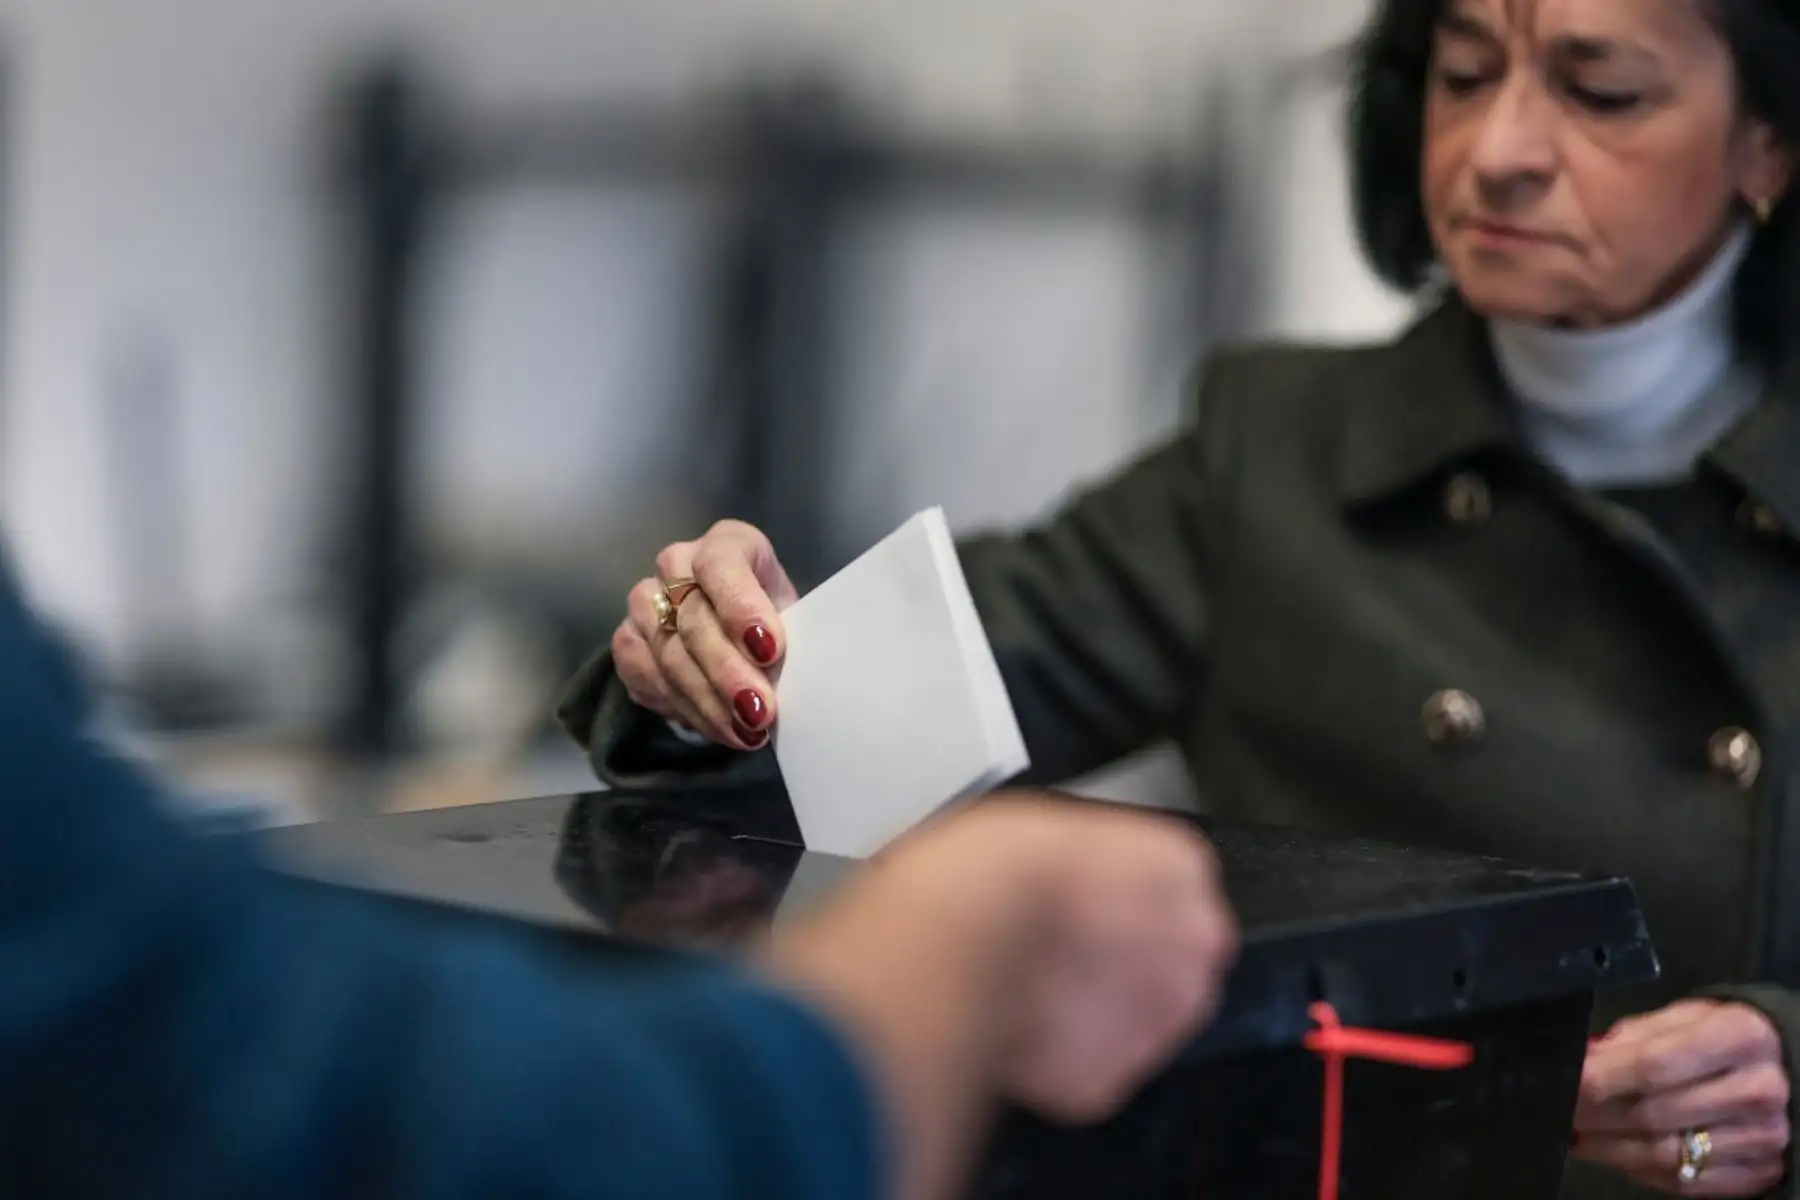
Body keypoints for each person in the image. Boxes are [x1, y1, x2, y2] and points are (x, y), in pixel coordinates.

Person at [567, 0, 1800, 1196]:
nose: (1499, 152)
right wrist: (720, 662)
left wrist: (1788, 1064)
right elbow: (882, 718)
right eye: (1465, 72)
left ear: (1770, 141)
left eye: (1602, 93)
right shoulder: (1276, 449)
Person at [0, 547, 1237, 1198]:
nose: (1449, 161)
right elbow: (257, 1091)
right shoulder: (1246, 460)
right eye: (1443, 83)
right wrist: (741, 687)